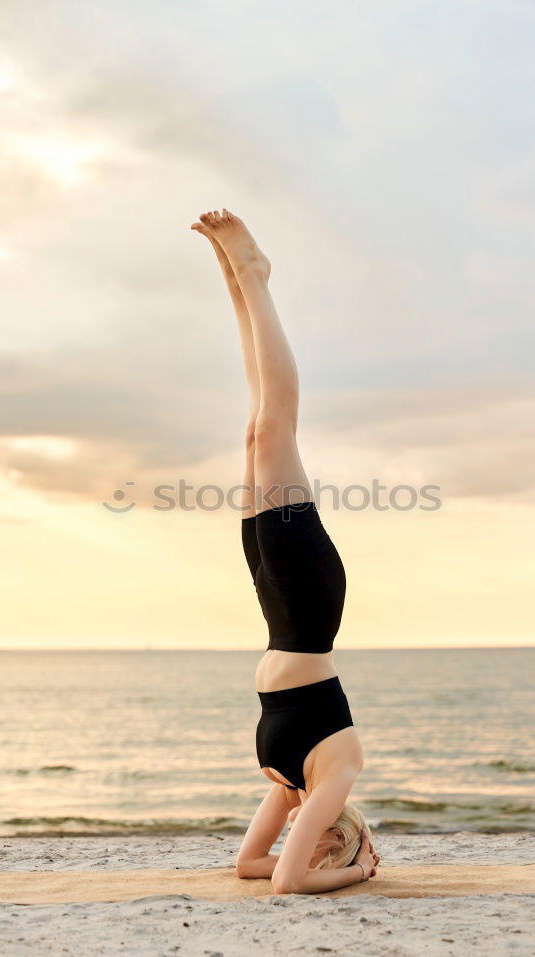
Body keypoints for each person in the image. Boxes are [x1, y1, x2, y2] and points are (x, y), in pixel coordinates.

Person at [191, 209, 380, 894]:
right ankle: (255, 277)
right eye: (330, 841)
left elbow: (251, 868)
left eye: (317, 845)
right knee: (277, 425)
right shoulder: (337, 773)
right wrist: (358, 869)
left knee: (254, 431)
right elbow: (287, 884)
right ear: (343, 831)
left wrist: (318, 858)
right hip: (307, 608)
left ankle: (236, 281)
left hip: (280, 615)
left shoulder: (285, 779)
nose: (313, 838)